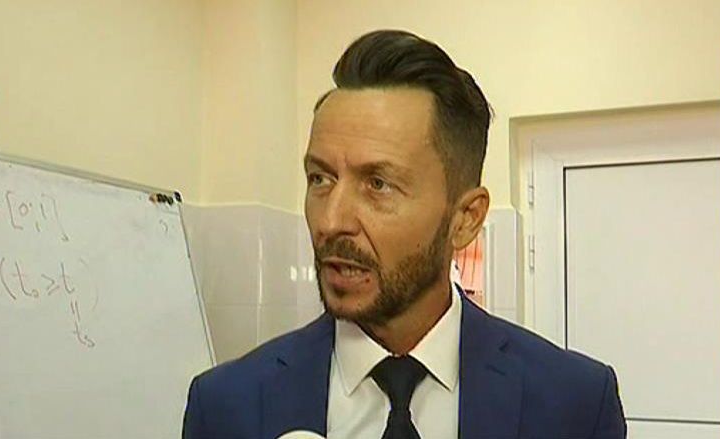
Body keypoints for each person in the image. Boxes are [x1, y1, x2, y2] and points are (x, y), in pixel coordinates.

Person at [183, 29, 626, 439]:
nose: (331, 222)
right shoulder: (226, 406)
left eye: (378, 184)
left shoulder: (576, 405)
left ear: (465, 218)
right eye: (320, 178)